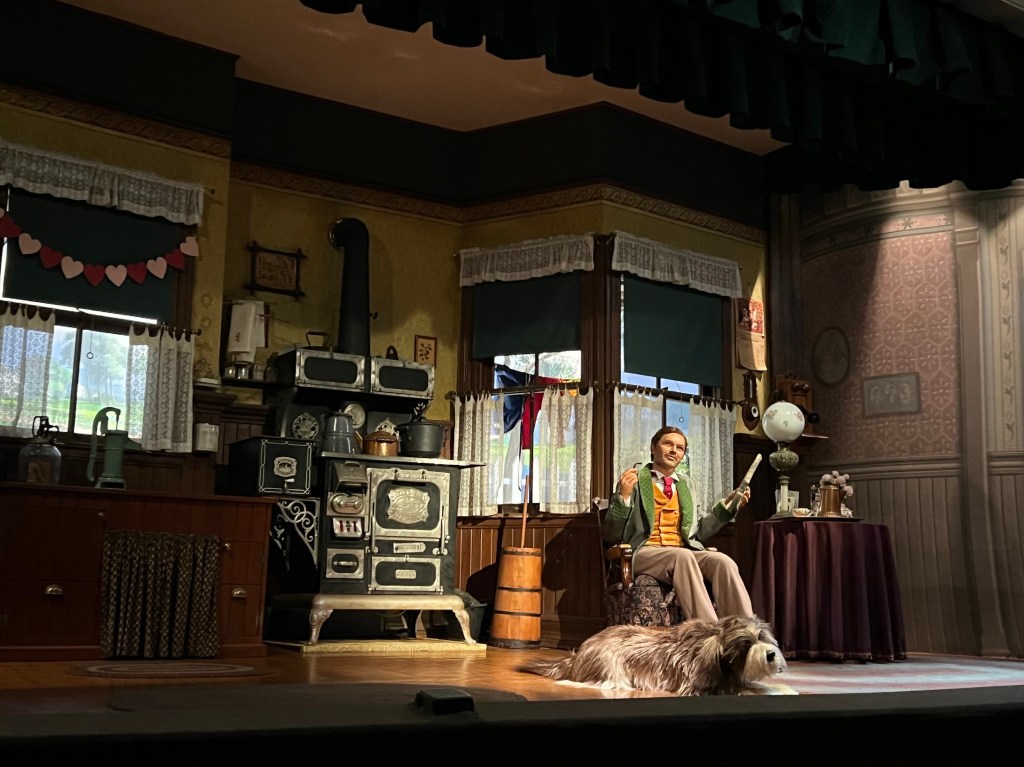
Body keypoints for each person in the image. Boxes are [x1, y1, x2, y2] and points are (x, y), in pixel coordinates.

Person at [602, 426, 753, 622]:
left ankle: (743, 629)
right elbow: (611, 534)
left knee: (723, 562)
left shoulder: (688, 485)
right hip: (644, 552)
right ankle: (707, 631)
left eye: (680, 448)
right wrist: (623, 496)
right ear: (653, 447)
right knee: (683, 556)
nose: (674, 450)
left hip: (681, 551)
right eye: (668, 444)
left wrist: (727, 507)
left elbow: (698, 533)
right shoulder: (635, 481)